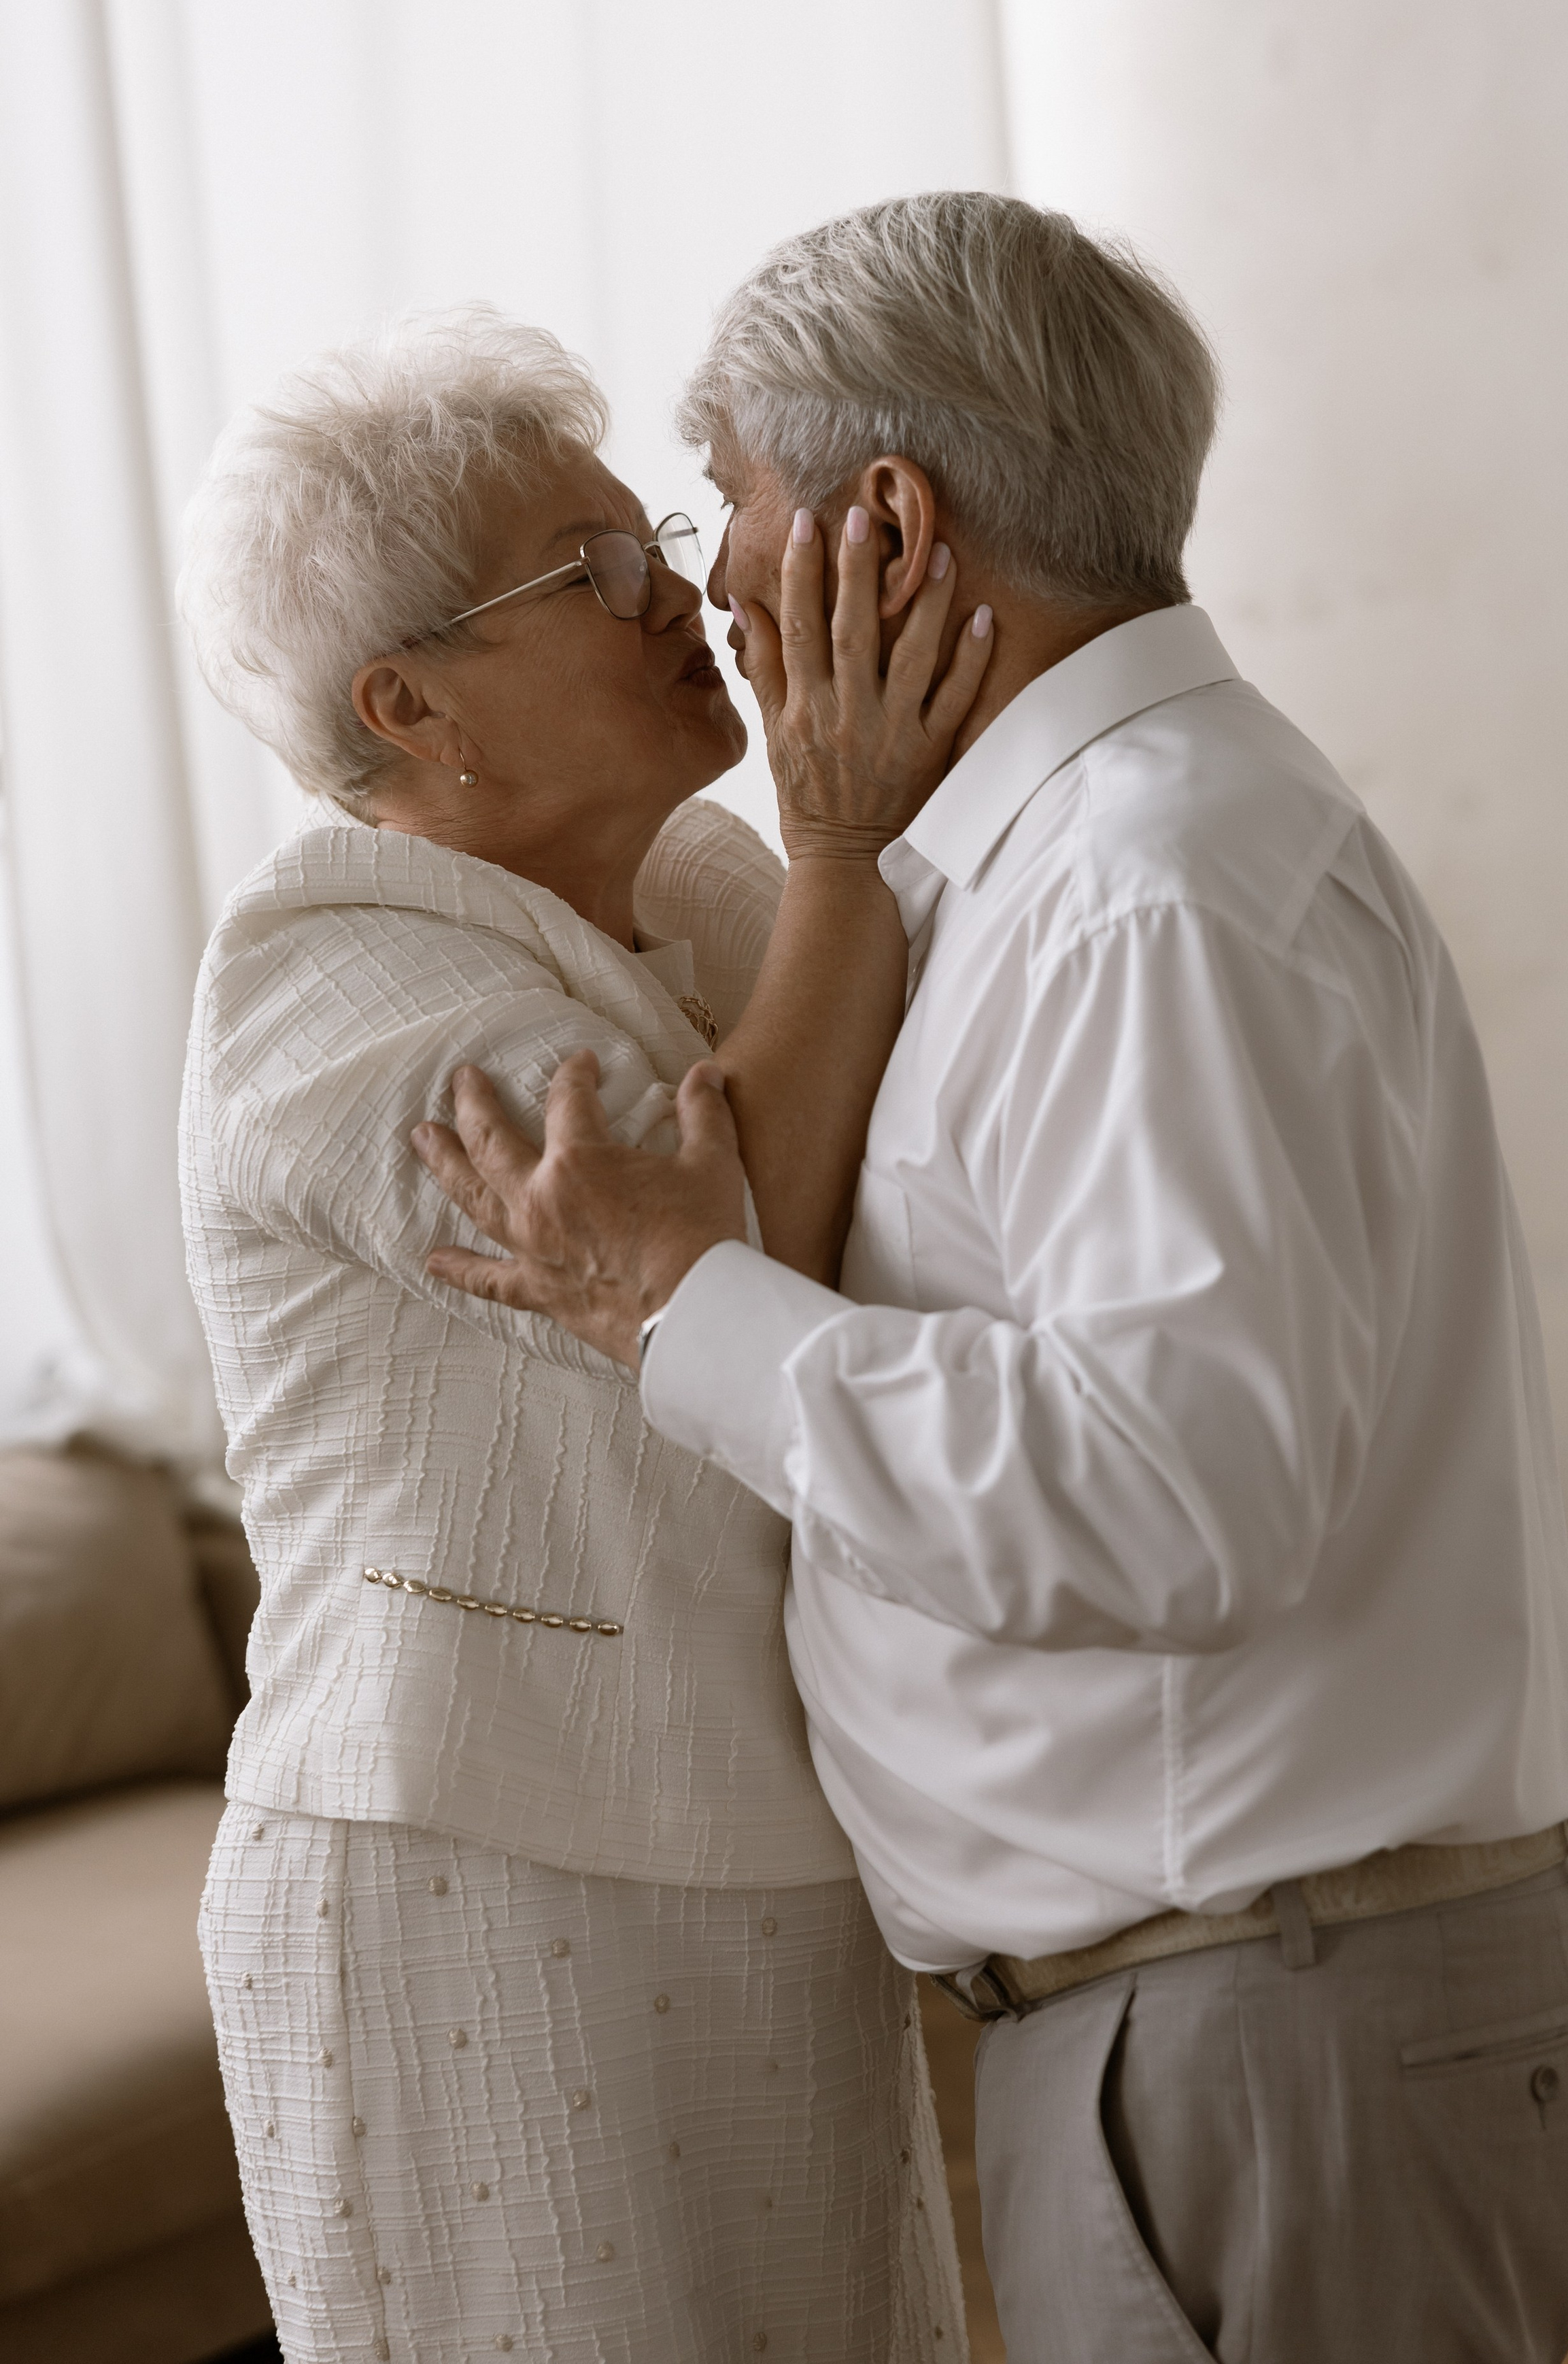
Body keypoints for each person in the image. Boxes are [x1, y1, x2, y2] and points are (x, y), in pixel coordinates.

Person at [414, 193, 1568, 2364]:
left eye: (730, 506)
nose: (705, 578)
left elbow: (1181, 1498)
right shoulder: (1087, 861)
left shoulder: (1146, 888)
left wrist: (682, 1311)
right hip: (1238, 2022)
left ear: (890, 524)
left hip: (1267, 2029)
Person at [177, 305, 989, 2363]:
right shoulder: (324, 979)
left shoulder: (702, 890)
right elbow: (729, 1268)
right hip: (468, 1867)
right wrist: (833, 841)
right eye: (597, 573)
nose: (688, 597)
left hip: (763, 1839)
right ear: (410, 704)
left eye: (662, 539)